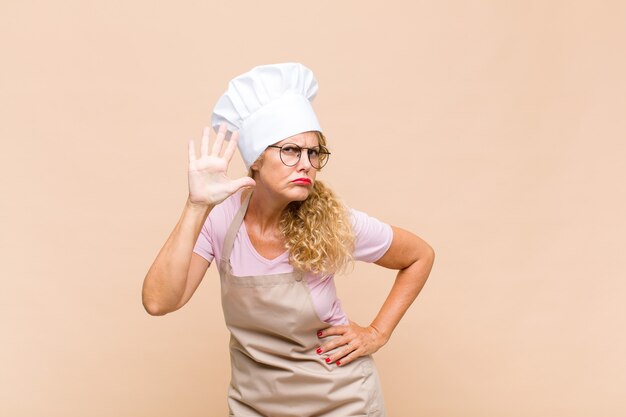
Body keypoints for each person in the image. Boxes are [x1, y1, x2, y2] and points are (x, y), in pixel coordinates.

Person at [142, 63, 435, 416]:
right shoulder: (219, 219)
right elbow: (159, 302)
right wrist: (196, 206)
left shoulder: (332, 220)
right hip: (256, 404)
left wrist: (377, 332)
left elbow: (419, 255)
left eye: (314, 153)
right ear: (255, 160)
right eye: (291, 151)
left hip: (340, 402)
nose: (307, 164)